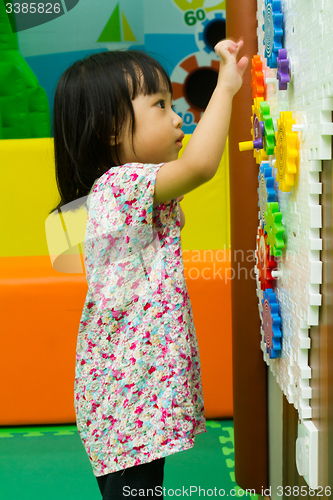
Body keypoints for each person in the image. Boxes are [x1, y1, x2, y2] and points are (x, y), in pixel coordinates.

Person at [52, 40, 248, 499]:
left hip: (132, 396)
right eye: (160, 105)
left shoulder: (133, 190)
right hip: (124, 401)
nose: (176, 116)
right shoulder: (120, 186)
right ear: (107, 130)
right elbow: (200, 165)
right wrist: (226, 87)